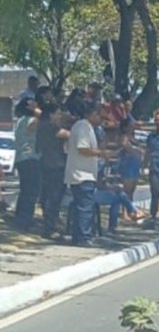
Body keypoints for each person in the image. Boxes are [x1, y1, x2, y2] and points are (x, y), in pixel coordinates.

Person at [64, 98, 108, 245]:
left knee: (81, 207)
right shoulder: (83, 126)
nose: (101, 120)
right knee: (85, 207)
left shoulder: (87, 127)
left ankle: (78, 236)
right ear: (93, 114)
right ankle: (84, 237)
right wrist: (101, 153)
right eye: (100, 116)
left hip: (84, 173)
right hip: (82, 174)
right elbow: (82, 148)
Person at [36, 103, 69, 239]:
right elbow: (67, 134)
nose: (60, 116)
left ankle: (51, 225)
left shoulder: (42, 125)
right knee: (53, 197)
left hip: (47, 163)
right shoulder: (50, 126)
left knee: (49, 196)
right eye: (58, 113)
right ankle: (49, 228)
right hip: (54, 165)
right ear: (51, 114)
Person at [12, 97, 41, 230]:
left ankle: (21, 219)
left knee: (26, 191)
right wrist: (37, 111)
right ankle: (25, 221)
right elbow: (36, 121)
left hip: (23, 159)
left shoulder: (20, 121)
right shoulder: (28, 120)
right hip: (29, 158)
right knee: (30, 191)